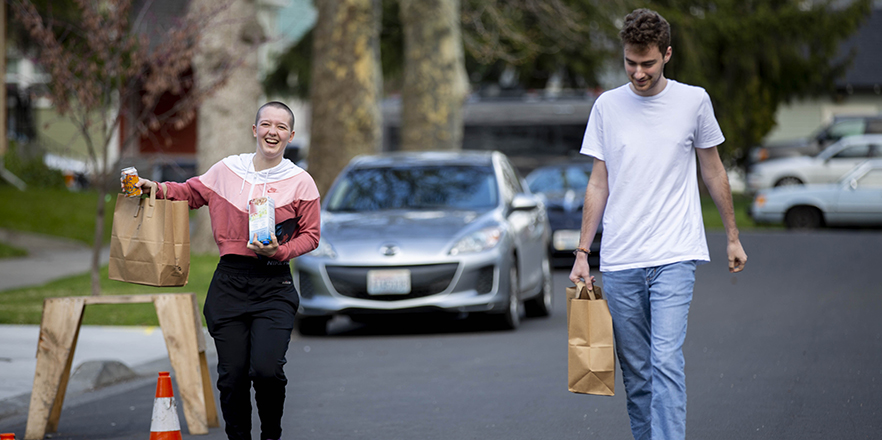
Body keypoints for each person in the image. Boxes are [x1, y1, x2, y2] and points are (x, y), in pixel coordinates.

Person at [568, 9, 747, 440]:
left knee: (665, 359)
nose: (638, 72)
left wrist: (733, 238)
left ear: (667, 54)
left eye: (647, 63)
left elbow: (714, 172)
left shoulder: (693, 101)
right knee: (638, 372)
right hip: (622, 259)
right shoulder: (607, 106)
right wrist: (581, 253)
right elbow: (598, 182)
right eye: (631, 62)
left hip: (675, 254)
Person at [134, 101, 321, 440]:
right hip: (229, 285)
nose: (272, 132)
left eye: (281, 127)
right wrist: (155, 188)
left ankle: (270, 435)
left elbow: (311, 236)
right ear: (254, 129)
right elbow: (190, 193)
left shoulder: (300, 182)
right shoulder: (226, 170)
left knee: (266, 371)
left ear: (291, 136)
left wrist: (281, 252)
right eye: (266, 124)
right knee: (231, 376)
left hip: (273, 285)